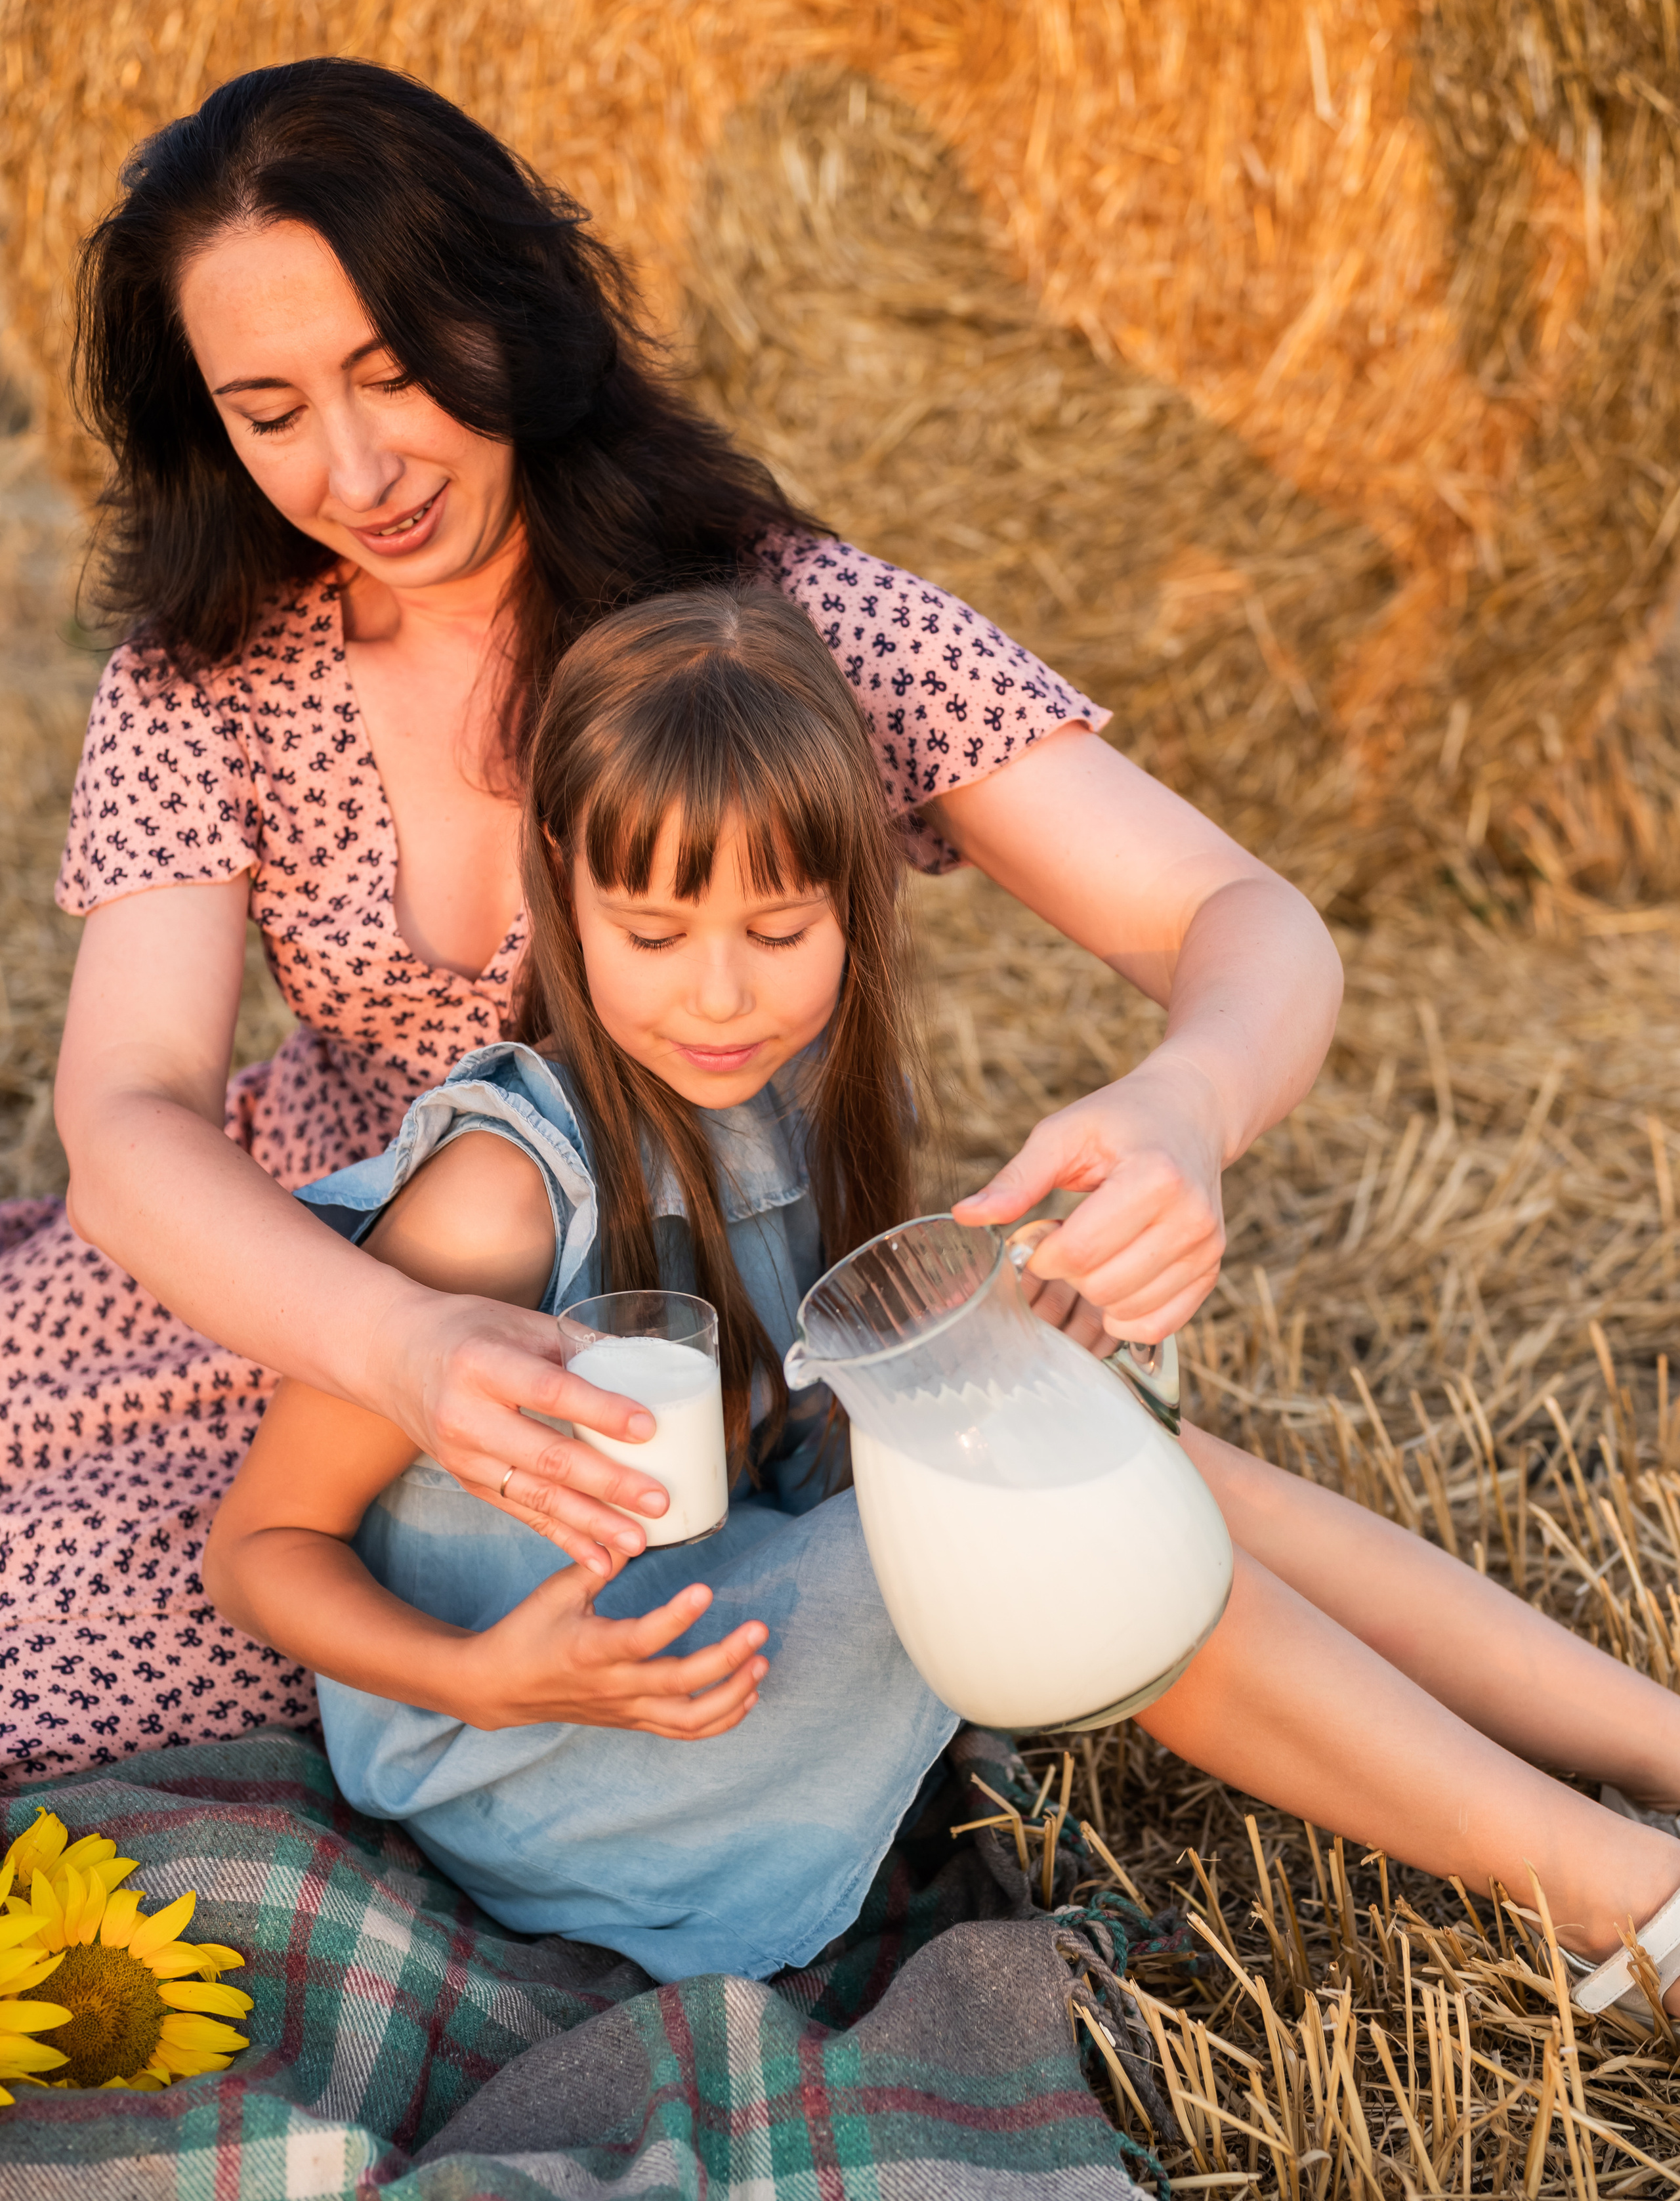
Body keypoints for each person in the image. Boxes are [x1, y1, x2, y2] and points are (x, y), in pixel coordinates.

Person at [3, 55, 1340, 1774]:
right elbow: (127, 1120)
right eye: (270, 414)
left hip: (657, 1350)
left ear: (511, 319)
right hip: (278, 1297)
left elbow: (1236, 913)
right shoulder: (211, 671)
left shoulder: (763, 627)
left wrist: (1189, 1100)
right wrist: (403, 1348)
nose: (352, 468)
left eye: (396, 373)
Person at [203, 587, 1680, 2015]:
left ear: (854, 899)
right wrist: (490, 1679)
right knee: (1054, 1530)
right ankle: (1621, 1897)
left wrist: (1008, 1343)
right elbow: (263, 1547)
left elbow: (812, 1414)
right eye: (652, 936)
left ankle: (1660, 1749)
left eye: (776, 933)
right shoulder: (498, 1201)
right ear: (558, 888)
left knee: (1124, 1453)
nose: (718, 995)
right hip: (564, 1760)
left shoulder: (804, 1099)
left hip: (713, 1621)